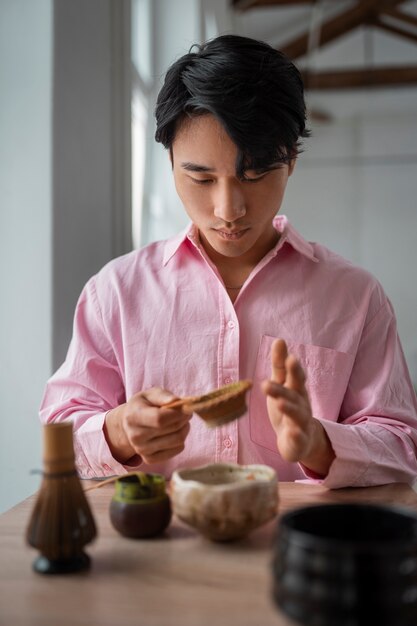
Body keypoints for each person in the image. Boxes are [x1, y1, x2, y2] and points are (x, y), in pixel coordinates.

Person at [40, 34, 417, 488]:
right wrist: (118, 432)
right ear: (170, 161)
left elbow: (402, 446)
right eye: (200, 178)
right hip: (154, 551)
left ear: (291, 159)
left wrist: (319, 443)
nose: (228, 210)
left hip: (297, 550)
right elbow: (59, 434)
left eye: (255, 175)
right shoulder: (116, 293)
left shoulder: (355, 297)